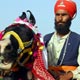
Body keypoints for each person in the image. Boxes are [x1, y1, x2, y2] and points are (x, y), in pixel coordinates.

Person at [44, 0, 80, 80]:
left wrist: (70, 75)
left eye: (64, 15)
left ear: (70, 17)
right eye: (57, 15)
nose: (60, 18)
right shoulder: (46, 39)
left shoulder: (77, 40)